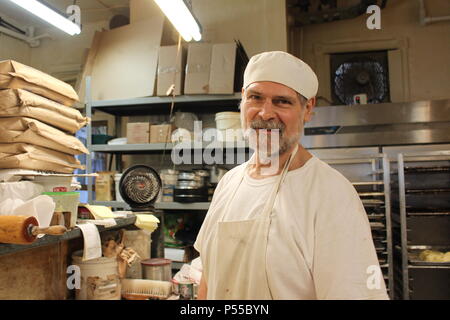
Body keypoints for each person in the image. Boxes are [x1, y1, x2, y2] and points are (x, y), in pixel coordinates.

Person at [194, 51, 388, 300]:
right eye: (256, 97)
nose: (265, 113)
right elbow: (209, 278)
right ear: (243, 100)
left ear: (308, 109)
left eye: (282, 102)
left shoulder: (332, 195)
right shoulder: (229, 184)